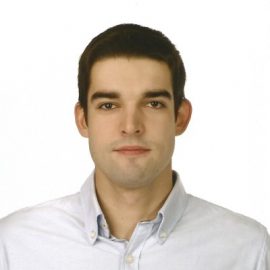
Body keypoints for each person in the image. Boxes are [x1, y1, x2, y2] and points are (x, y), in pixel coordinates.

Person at [0, 23, 269, 270]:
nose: (130, 126)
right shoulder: (13, 245)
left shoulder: (247, 249)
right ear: (83, 120)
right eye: (108, 105)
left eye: (153, 104)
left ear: (180, 117)